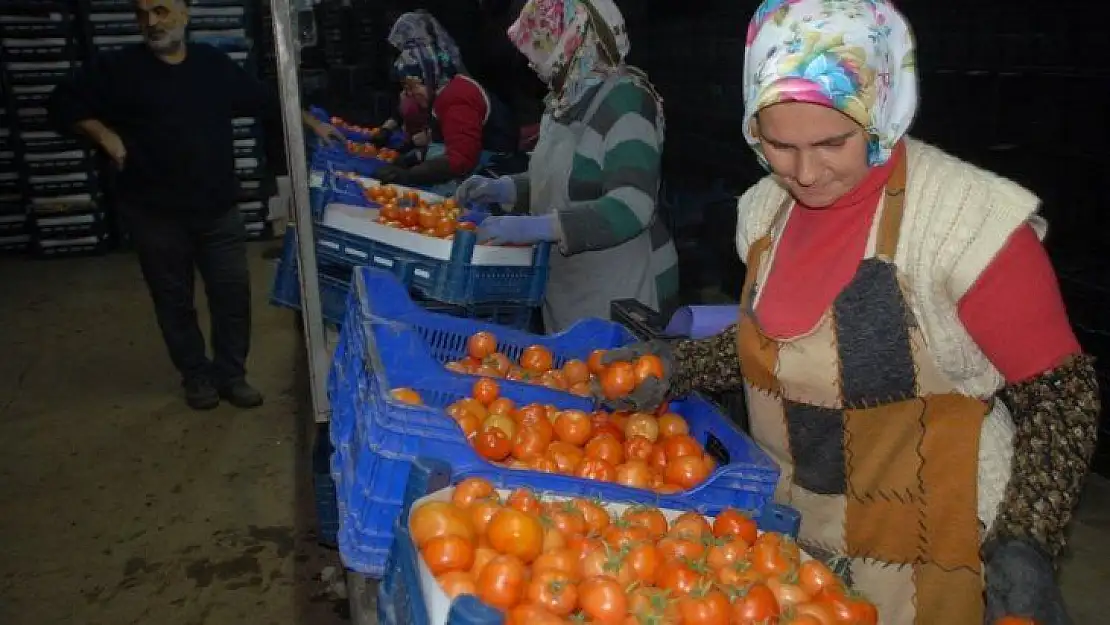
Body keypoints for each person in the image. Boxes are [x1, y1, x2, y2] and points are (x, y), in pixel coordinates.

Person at [600, 1, 1100, 623]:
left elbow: (1061, 395)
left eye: (833, 142)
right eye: (779, 145)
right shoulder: (765, 215)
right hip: (798, 541)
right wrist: (680, 364)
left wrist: (1026, 538)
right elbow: (792, 345)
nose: (806, 173)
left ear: (882, 111)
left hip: (940, 550)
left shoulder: (962, 223)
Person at [48, 0, 342, 410]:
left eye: (161, 10)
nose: (152, 22)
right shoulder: (117, 69)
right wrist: (103, 134)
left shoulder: (210, 64)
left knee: (232, 294)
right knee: (174, 300)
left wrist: (310, 123)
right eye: (142, 14)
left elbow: (263, 100)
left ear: (185, 14)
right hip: (154, 213)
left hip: (217, 209)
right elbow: (61, 103)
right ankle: (196, 376)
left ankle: (232, 374)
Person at [454, 0, 679, 333]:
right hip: (570, 285)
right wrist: (504, 189)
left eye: (543, 47)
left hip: (620, 293)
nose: (533, 63)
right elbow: (559, 183)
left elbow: (633, 206)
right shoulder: (564, 101)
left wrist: (540, 228)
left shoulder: (627, 102)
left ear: (574, 41)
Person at [372, 11, 522, 192]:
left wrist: (410, 175)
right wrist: (412, 158)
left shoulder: (456, 97)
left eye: (413, 87)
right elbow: (445, 142)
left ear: (428, 76)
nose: (409, 94)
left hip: (492, 171)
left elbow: (460, 160)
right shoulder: (442, 93)